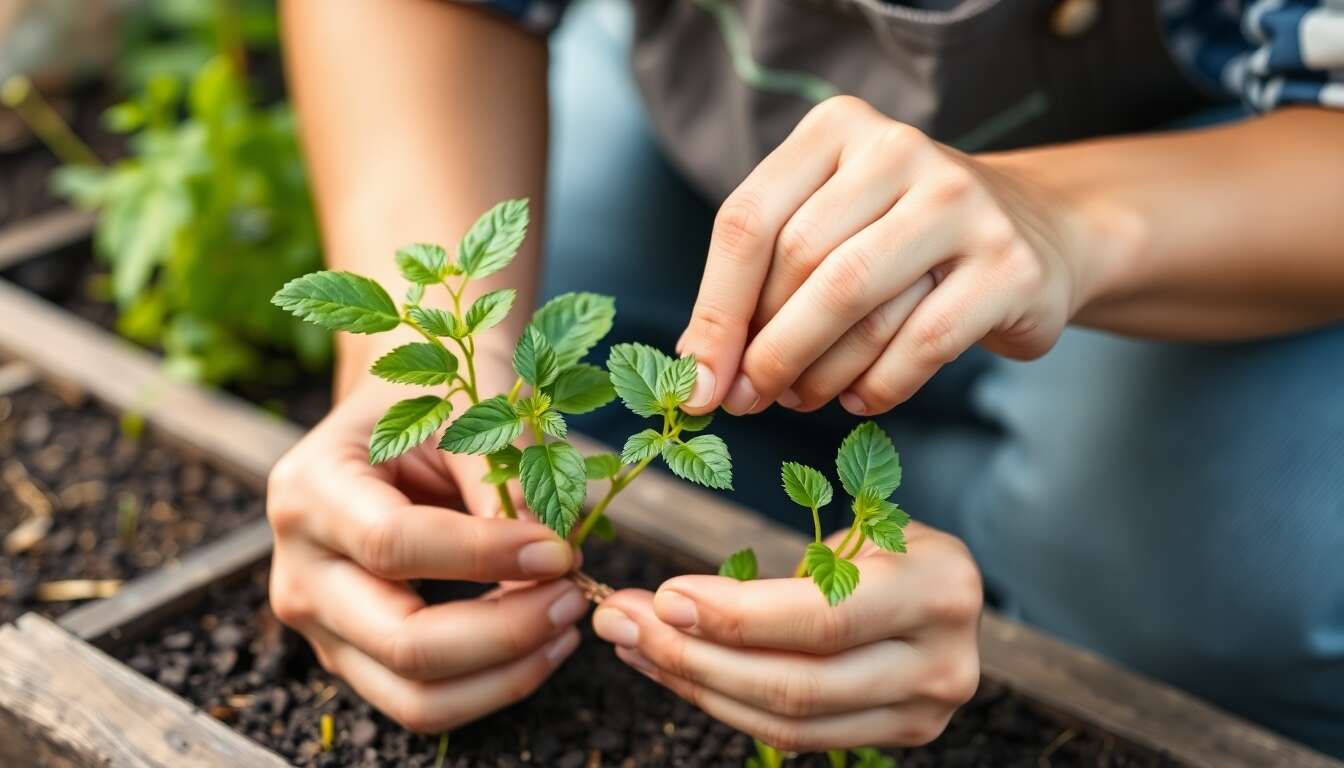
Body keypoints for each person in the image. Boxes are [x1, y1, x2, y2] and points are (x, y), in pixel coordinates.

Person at [269, 0, 1344, 756]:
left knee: (1236, 578)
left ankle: (990, 543)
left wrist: (1063, 220)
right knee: (561, 337)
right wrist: (415, 379)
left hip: (1206, 176)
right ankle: (957, 530)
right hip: (711, 115)